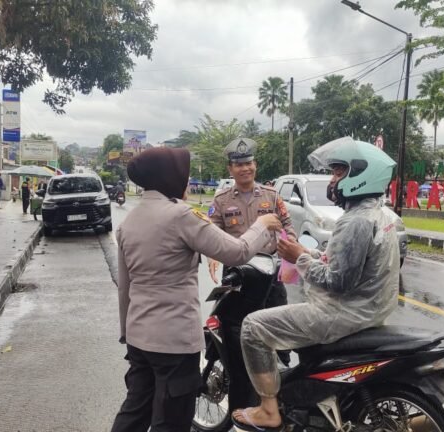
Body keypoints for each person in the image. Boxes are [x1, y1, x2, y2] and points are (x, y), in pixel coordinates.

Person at [231, 137, 400, 431]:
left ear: (360, 175)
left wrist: (300, 259)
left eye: (338, 173)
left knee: (252, 327)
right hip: (369, 310)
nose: (332, 180)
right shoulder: (381, 214)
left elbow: (338, 281)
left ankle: (268, 410)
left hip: (341, 313)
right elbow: (345, 263)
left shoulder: (355, 221)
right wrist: (309, 253)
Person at [112, 147, 282, 432]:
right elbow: (238, 252)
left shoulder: (130, 221)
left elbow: (124, 287)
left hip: (139, 337)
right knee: (172, 420)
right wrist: (262, 224)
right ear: (170, 177)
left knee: (135, 412)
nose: (188, 180)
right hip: (173, 341)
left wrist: (127, 334)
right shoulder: (181, 216)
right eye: (185, 174)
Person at [207, 137, 297, 409]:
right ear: (230, 169)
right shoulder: (221, 200)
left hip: (270, 278)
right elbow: (211, 233)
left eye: (249, 163)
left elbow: (288, 228)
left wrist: (289, 248)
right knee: (235, 338)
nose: (245, 169)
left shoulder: (272, 196)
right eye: (239, 164)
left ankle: (276, 397)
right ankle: (241, 393)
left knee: (276, 337)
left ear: (255, 165)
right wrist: (212, 255)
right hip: (238, 279)